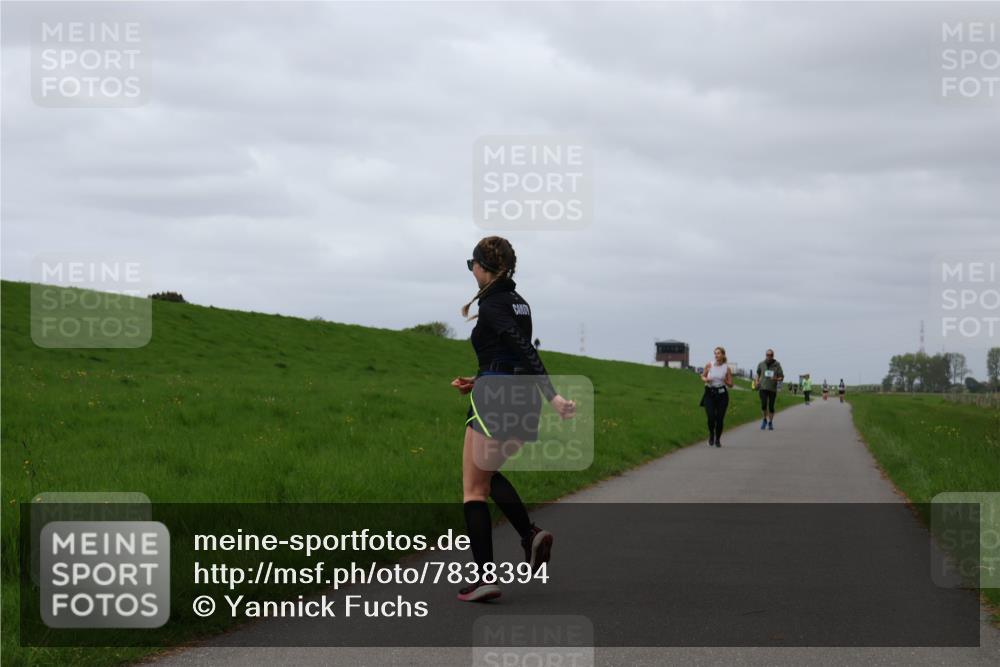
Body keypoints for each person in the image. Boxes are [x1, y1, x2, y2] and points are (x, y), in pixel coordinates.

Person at [451, 236, 576, 602]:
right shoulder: (520, 304)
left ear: (482, 267)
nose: (471, 270)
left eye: (471, 264)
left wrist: (553, 395)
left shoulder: (492, 305)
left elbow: (524, 349)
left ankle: (484, 576)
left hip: (497, 398)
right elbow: (512, 355)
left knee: (473, 490)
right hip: (519, 398)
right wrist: (480, 377)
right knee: (487, 476)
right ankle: (529, 534)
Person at [700, 347, 734, 447]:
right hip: (709, 393)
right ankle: (711, 435)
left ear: (723, 355)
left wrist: (725, 381)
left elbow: (731, 384)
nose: (716, 355)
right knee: (711, 417)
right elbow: (702, 376)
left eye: (718, 353)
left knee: (719, 419)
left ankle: (718, 439)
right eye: (715, 353)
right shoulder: (709, 364)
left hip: (722, 394)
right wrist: (706, 379)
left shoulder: (726, 368)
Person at [756, 349, 784, 430]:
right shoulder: (761, 364)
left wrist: (776, 378)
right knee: (764, 405)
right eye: (767, 355)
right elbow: (757, 374)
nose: (769, 356)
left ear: (773, 356)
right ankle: (764, 419)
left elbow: (781, 377)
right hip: (763, 388)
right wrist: (757, 381)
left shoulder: (777, 365)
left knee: (771, 406)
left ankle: (770, 422)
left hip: (772, 389)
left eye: (770, 355)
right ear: (765, 355)